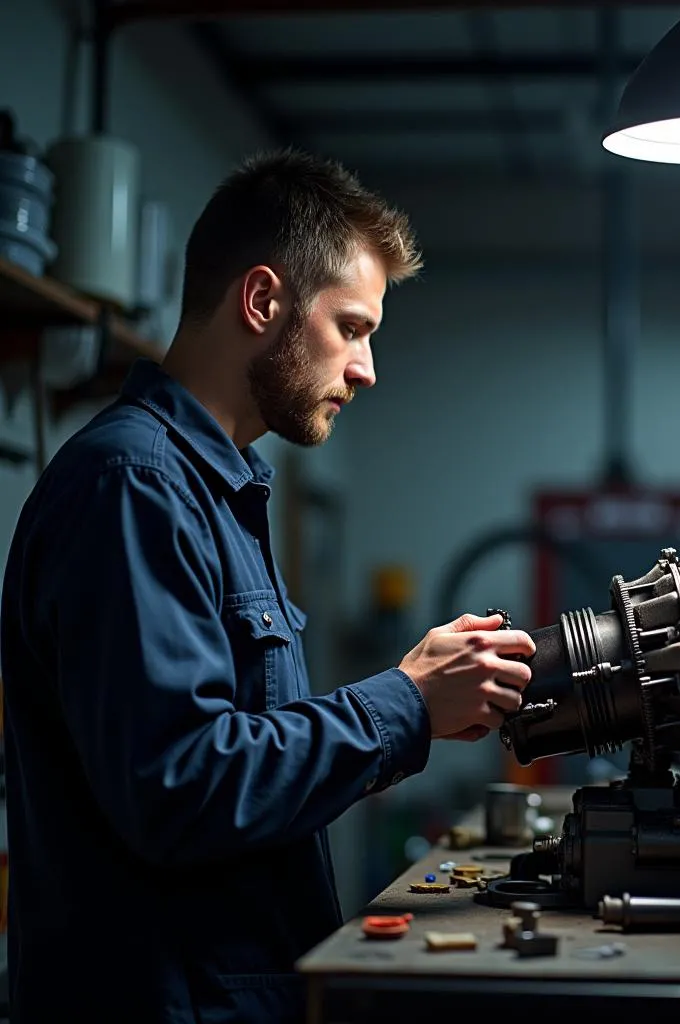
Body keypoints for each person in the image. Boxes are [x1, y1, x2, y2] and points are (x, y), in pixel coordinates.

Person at [0, 149, 536, 1024]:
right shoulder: (134, 485)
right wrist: (403, 703)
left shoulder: (215, 487)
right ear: (261, 302)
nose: (365, 370)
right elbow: (180, 786)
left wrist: (416, 699)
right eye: (353, 329)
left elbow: (235, 744)